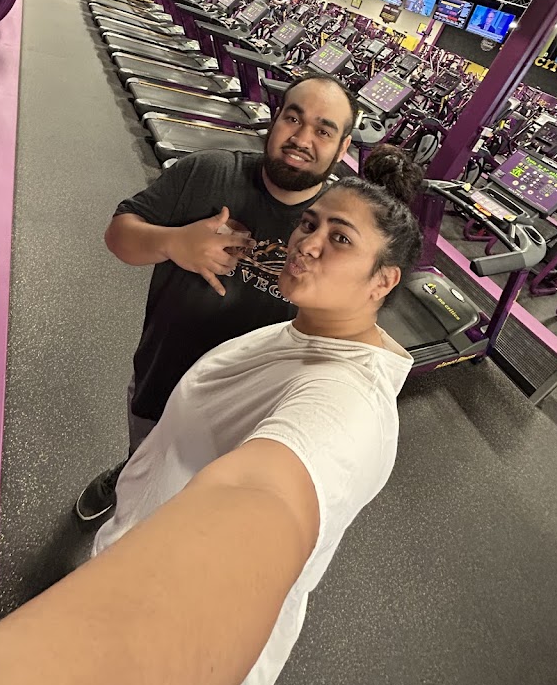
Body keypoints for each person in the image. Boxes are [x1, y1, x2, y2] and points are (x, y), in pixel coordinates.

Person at [0, 146, 422, 685]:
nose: (308, 243)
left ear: (382, 281)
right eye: (309, 223)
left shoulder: (347, 403)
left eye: (340, 239)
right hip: (135, 533)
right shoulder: (307, 328)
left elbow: (265, 499)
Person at [75, 75, 357, 522]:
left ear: (343, 148)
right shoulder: (208, 172)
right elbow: (118, 236)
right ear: (274, 120)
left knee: (202, 502)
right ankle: (130, 472)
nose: (302, 139)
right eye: (293, 118)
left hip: (249, 408)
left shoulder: (338, 229)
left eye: (323, 130)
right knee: (146, 449)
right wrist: (174, 243)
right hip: (163, 374)